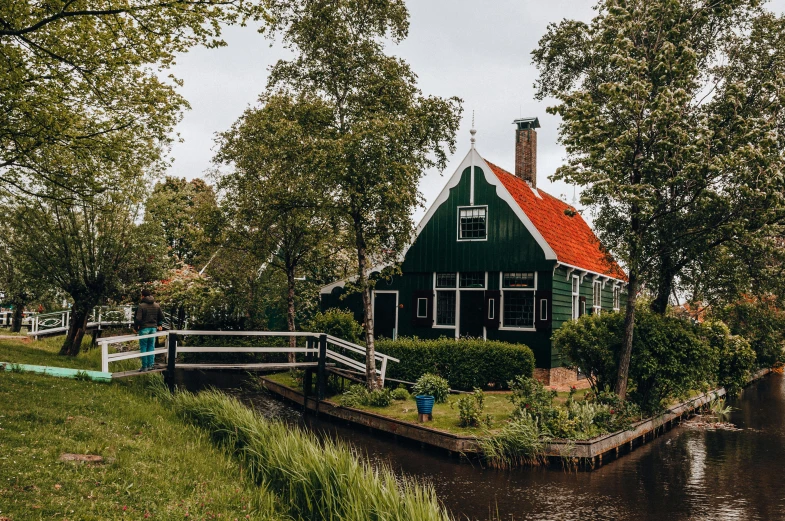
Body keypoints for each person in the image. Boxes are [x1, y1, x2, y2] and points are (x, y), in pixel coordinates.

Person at [134, 289, 164, 372]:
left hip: (144, 328)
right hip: (153, 328)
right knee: (151, 346)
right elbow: (161, 317)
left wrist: (135, 328)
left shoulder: (141, 306)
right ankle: (151, 365)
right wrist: (159, 324)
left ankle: (144, 366)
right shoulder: (156, 305)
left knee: (143, 346)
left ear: (143, 296)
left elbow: (138, 319)